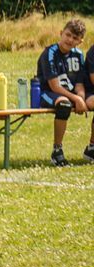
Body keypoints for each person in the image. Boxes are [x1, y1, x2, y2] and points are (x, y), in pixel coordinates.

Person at [36, 18, 92, 166]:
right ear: (61, 33)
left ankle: (91, 148)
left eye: (75, 38)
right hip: (47, 93)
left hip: (69, 94)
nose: (70, 40)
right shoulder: (49, 53)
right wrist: (76, 99)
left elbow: (79, 83)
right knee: (64, 105)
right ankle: (57, 151)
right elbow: (54, 86)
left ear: (80, 41)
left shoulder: (78, 55)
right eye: (68, 35)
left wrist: (80, 97)